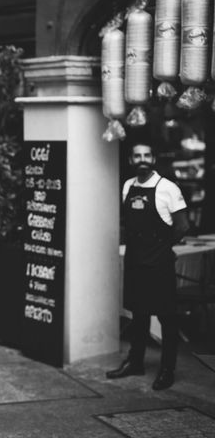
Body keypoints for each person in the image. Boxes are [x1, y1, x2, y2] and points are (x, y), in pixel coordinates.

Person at [106, 142, 189, 391]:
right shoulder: (128, 186)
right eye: (137, 155)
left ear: (153, 158)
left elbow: (182, 226)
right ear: (131, 159)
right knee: (139, 315)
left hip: (159, 263)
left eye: (147, 155)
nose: (142, 159)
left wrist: (163, 247)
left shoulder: (168, 188)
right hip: (135, 261)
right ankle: (135, 361)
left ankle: (167, 370)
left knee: (167, 318)